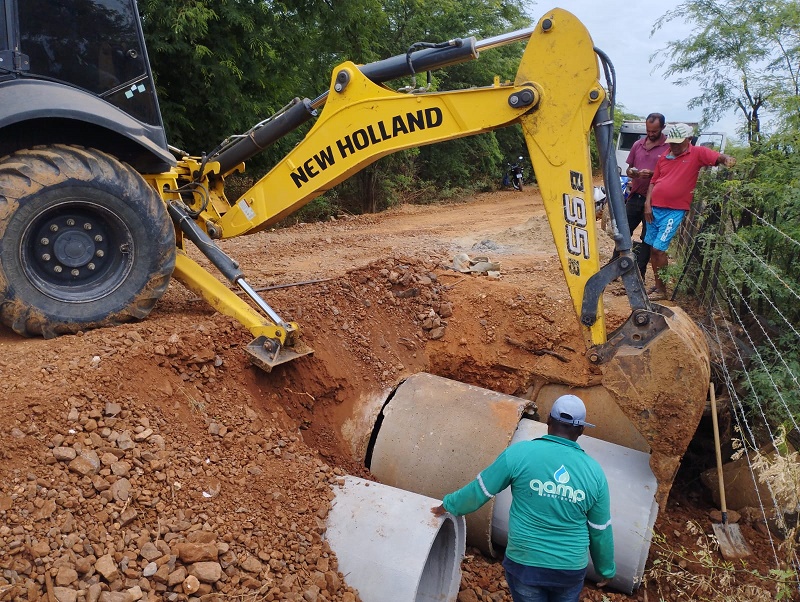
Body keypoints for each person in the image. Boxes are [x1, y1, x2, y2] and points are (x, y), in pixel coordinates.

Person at [431, 395, 615, 602]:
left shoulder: (519, 454)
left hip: (526, 563)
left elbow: (480, 491)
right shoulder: (594, 473)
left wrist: (448, 505)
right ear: (581, 430)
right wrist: (605, 569)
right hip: (569, 569)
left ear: (549, 421)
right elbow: (600, 528)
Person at [644, 122, 737, 300]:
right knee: (652, 248)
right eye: (672, 142)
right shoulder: (664, 156)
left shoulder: (697, 153)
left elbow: (717, 157)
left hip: (674, 211)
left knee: (659, 249)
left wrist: (727, 159)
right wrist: (647, 204)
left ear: (689, 139)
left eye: (678, 143)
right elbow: (654, 181)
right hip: (655, 208)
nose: (674, 146)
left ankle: (662, 290)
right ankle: (657, 285)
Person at [622, 113, 669, 277]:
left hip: (655, 201)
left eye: (654, 131)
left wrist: (653, 174)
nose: (650, 134)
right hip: (635, 196)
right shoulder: (638, 144)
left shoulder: (668, 147)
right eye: (648, 130)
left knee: (646, 238)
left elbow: (670, 174)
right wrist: (633, 173)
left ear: (663, 127)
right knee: (623, 231)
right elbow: (628, 169)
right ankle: (616, 268)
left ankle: (639, 273)